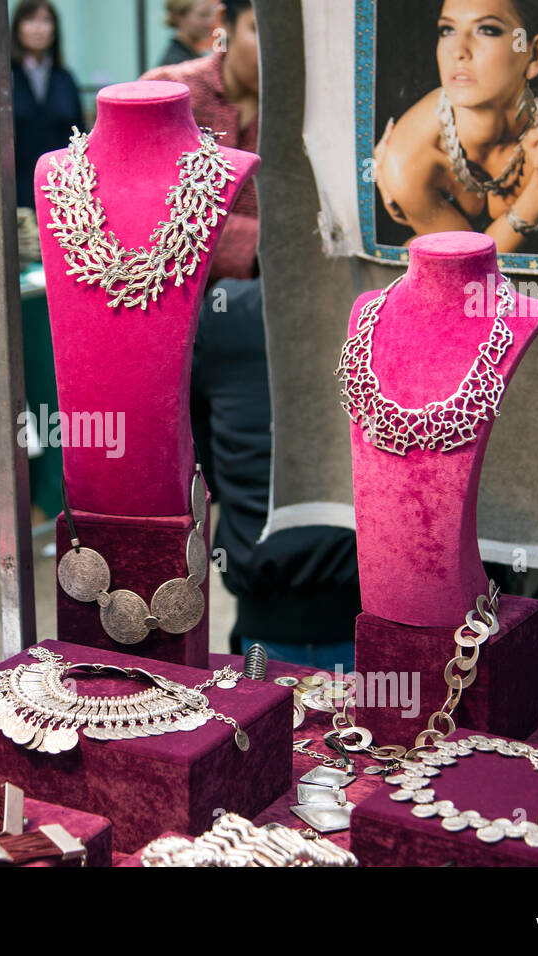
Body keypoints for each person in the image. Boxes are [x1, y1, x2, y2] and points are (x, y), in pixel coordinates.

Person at [190, 279, 363, 671]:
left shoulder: (226, 311)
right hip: (369, 595)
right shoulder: (388, 302)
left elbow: (203, 456)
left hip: (267, 590)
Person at [372, 0, 538, 251]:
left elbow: (535, 250)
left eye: (487, 30)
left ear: (535, 54)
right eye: (447, 30)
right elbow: (470, 268)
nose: (458, 51)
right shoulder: (406, 159)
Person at [141, 0, 260, 282]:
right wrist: (261, 244)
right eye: (258, 31)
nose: (277, 54)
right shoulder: (168, 93)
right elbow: (143, 206)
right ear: (223, 22)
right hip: (162, 293)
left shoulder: (299, 116)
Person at [11, 0, 84, 210]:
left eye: (45, 21)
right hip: (16, 188)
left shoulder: (66, 78)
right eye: (30, 20)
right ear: (17, 28)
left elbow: (78, 136)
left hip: (61, 189)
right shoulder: (5, 78)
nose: (38, 28)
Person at [158, 0, 217, 67]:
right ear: (179, 17)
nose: (210, 22)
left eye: (211, 15)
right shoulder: (176, 63)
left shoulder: (191, 53)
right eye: (203, 15)